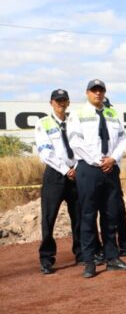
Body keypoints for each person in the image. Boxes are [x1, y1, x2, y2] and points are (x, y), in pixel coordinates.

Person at [67, 79, 126, 278]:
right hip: (89, 169)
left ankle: (112, 258)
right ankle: (89, 261)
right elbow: (75, 141)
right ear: (87, 93)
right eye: (94, 90)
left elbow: (123, 138)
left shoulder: (112, 113)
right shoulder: (78, 114)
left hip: (110, 169)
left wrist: (113, 158)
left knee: (110, 215)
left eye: (101, 90)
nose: (98, 94)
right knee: (88, 216)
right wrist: (97, 160)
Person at [34, 89, 80, 274]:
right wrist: (65, 170)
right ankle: (46, 258)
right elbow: (45, 152)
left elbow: (80, 145)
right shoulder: (43, 123)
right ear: (51, 102)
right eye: (58, 100)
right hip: (55, 175)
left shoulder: (74, 121)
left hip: (75, 174)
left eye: (64, 100)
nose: (62, 103)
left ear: (68, 102)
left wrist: (75, 168)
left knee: (78, 216)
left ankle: (82, 253)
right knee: (49, 217)